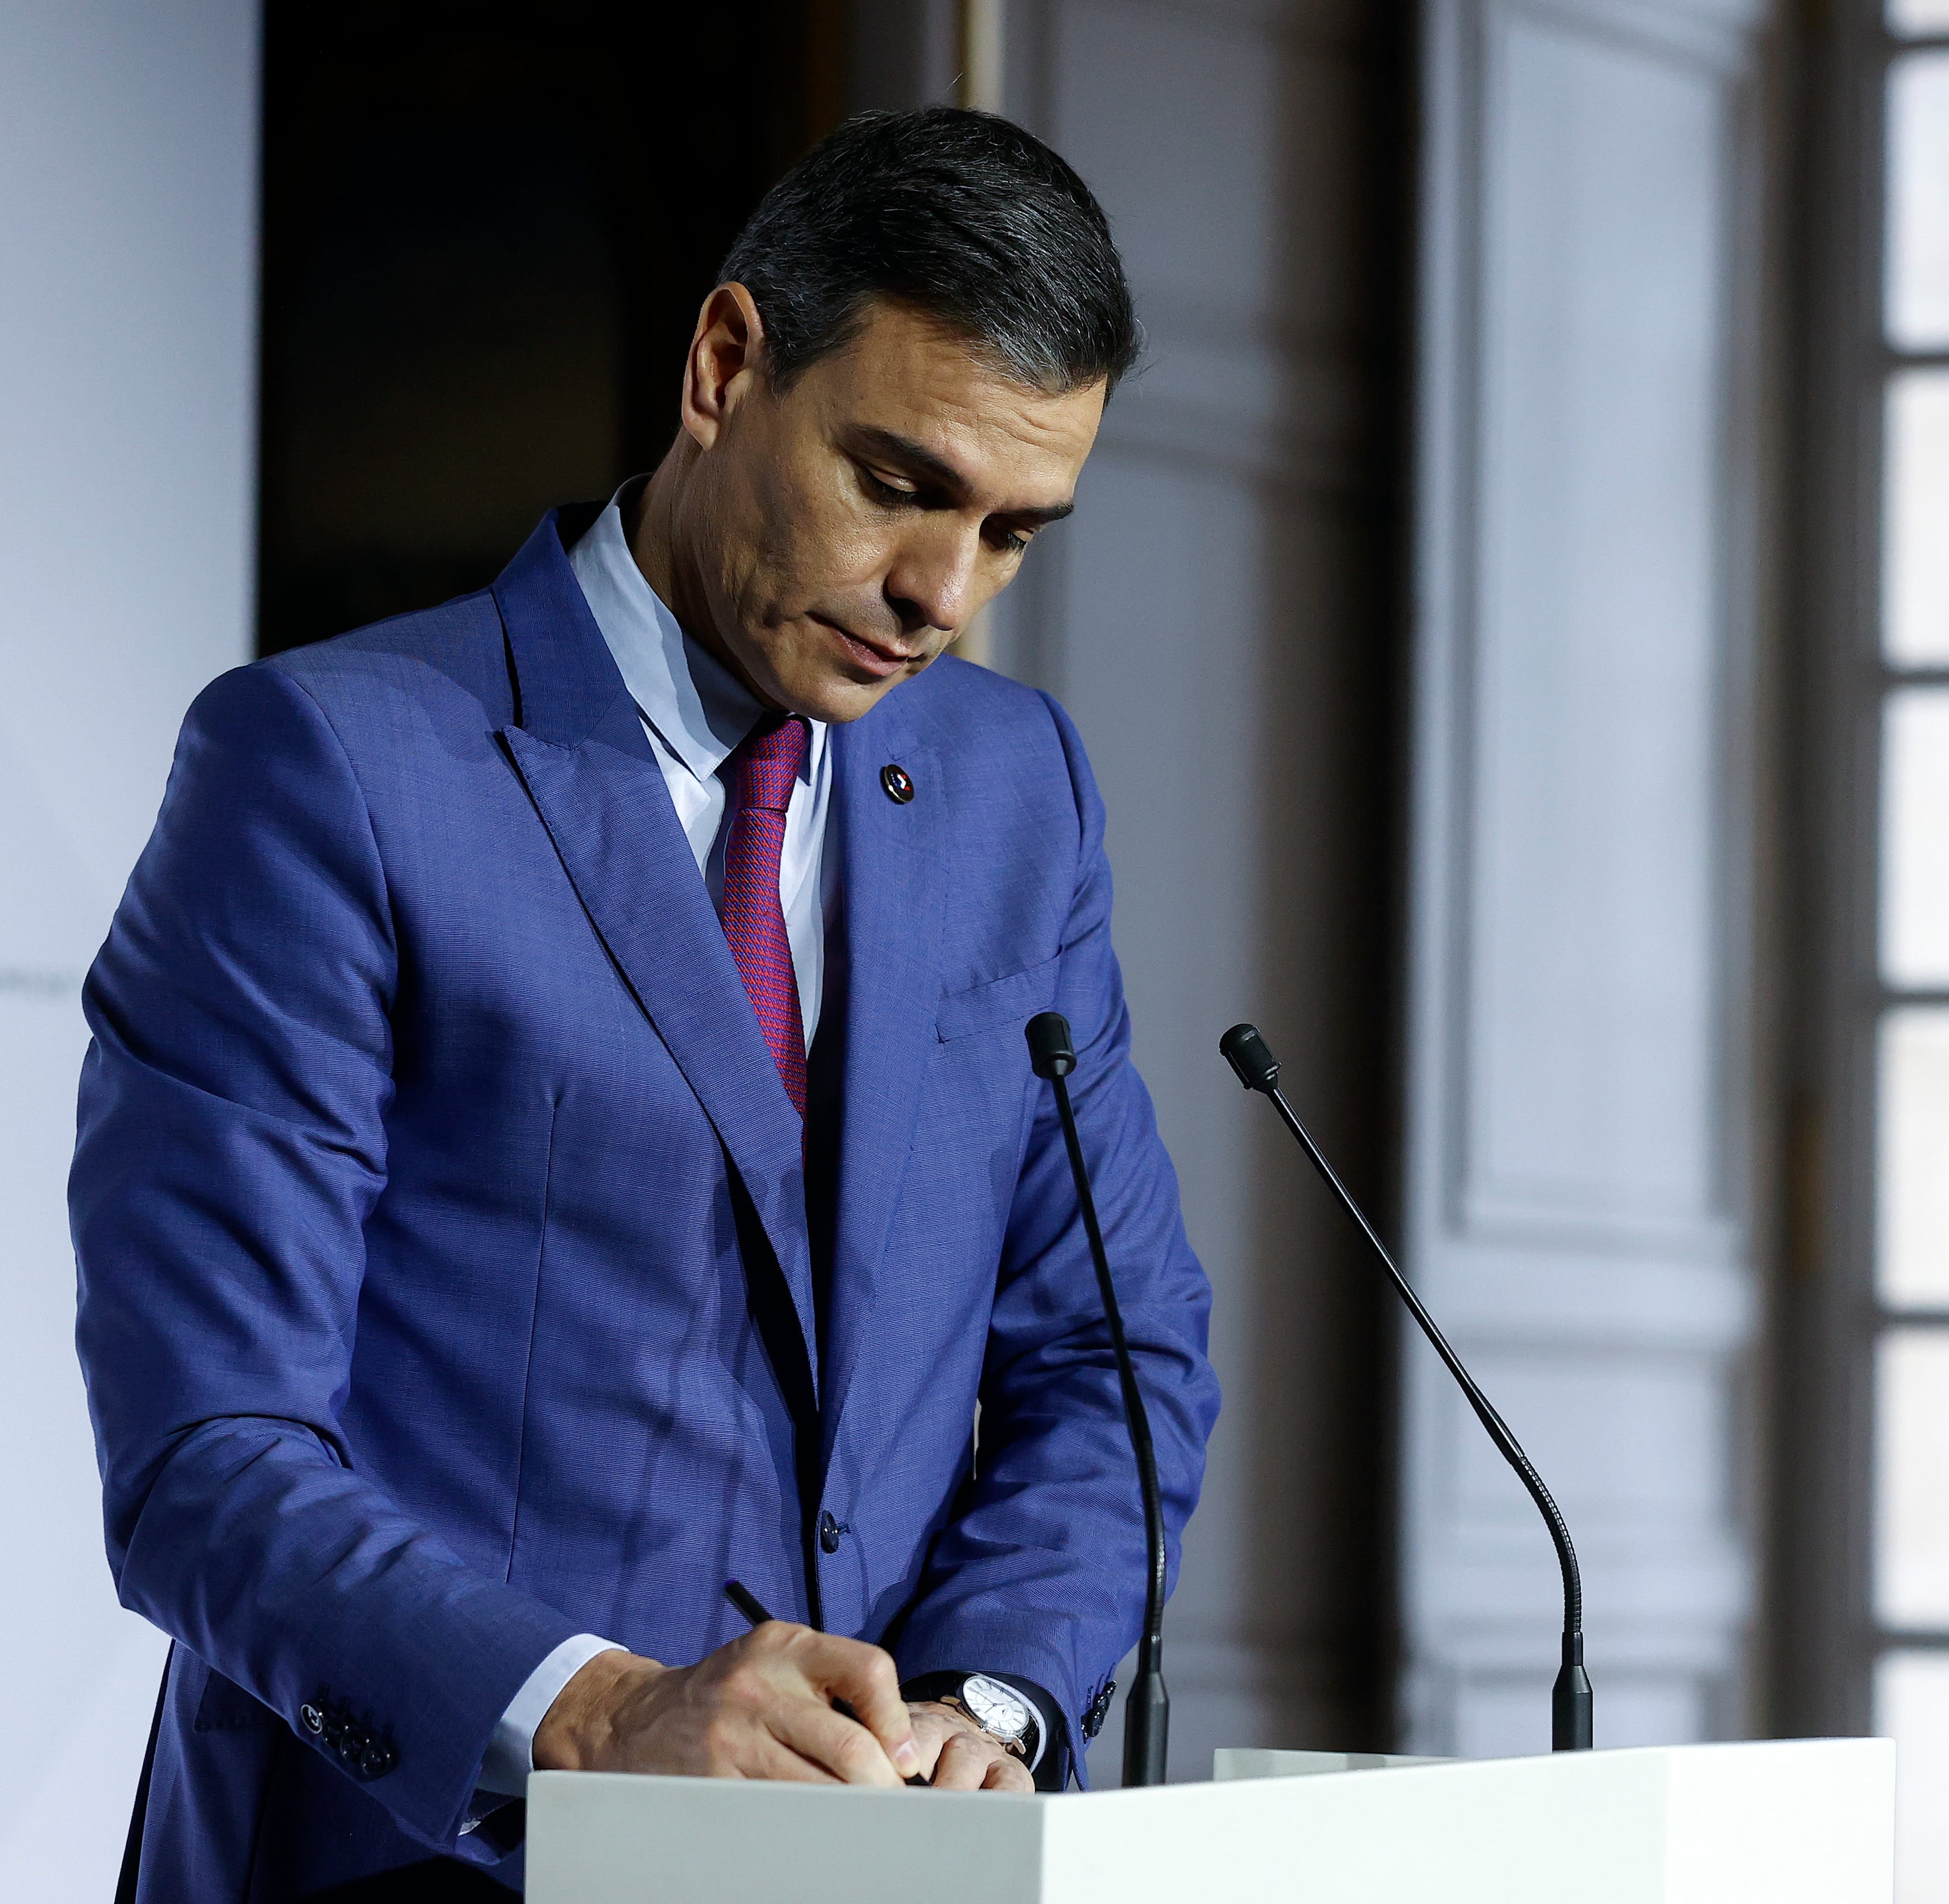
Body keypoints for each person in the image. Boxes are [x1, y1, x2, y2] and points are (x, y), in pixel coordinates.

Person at [71, 107, 1218, 1901]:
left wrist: (981, 1699)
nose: (943, 596)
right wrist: (600, 1721)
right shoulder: (327, 769)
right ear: (725, 362)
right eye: (901, 485)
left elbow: (1113, 1356)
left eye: (1014, 533)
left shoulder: (1018, 790)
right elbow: (205, 1452)